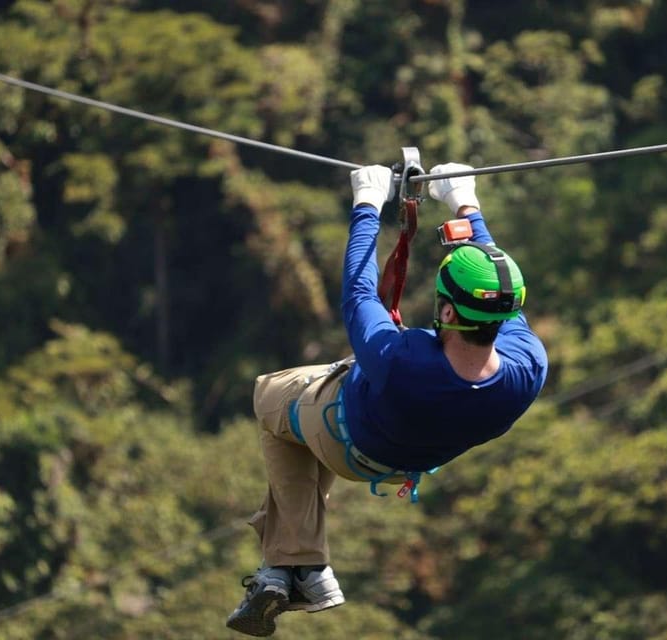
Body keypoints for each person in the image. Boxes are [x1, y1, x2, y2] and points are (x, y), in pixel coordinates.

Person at [226, 163, 548, 637]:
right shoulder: (527, 368)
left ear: (444, 310)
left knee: (271, 395)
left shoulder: (402, 360)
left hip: (346, 437)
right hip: (403, 461)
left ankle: (300, 564)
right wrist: (465, 204)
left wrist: (366, 205)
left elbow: (358, 292)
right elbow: (496, 291)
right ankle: (290, 570)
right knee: (305, 421)